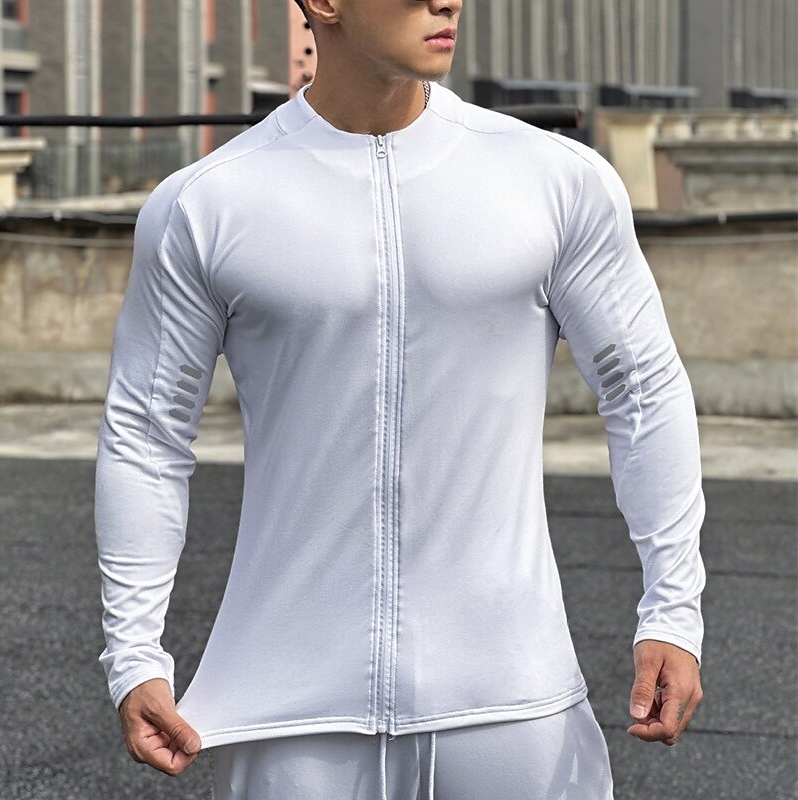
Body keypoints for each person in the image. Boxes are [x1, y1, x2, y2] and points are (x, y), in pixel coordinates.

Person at [94, 0, 706, 797]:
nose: (447, 0)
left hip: (513, 701)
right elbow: (147, 435)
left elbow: (643, 390)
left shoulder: (555, 180)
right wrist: (133, 653)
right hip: (290, 716)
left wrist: (673, 611)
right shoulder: (207, 203)